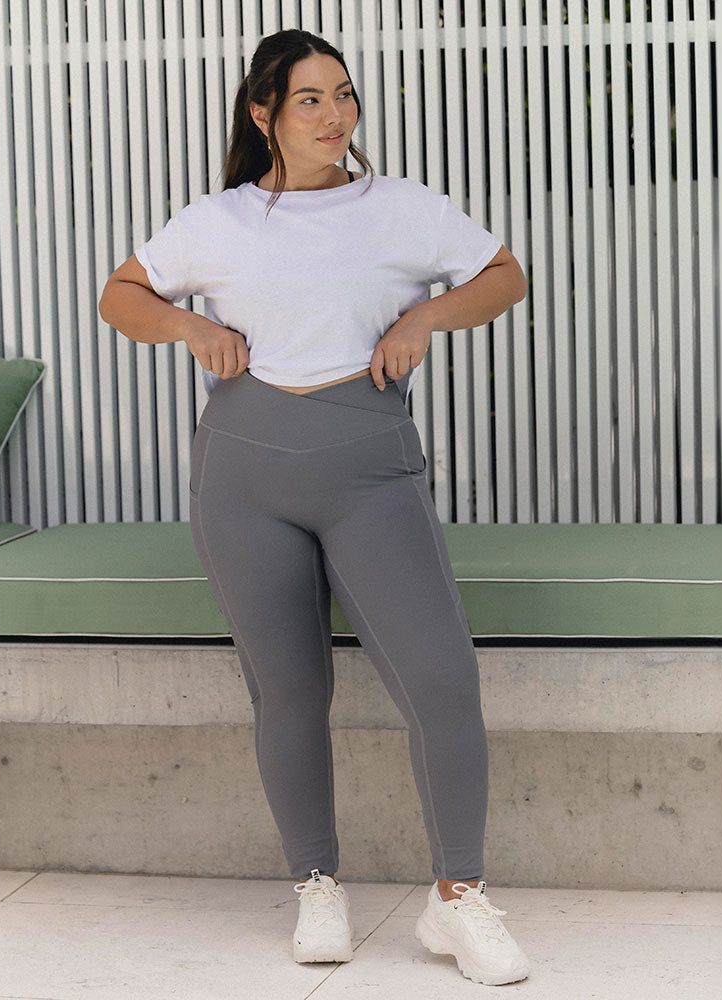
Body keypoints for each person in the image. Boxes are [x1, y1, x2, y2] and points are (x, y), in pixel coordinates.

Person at [98, 28, 529, 987]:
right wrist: (188, 326)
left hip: (370, 473)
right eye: (310, 100)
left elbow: (504, 274)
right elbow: (119, 295)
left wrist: (424, 315)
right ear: (264, 115)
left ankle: (457, 899)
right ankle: (317, 883)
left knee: (442, 680)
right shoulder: (218, 220)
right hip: (245, 478)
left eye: (345, 96)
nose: (335, 117)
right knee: (290, 691)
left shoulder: (404, 209)